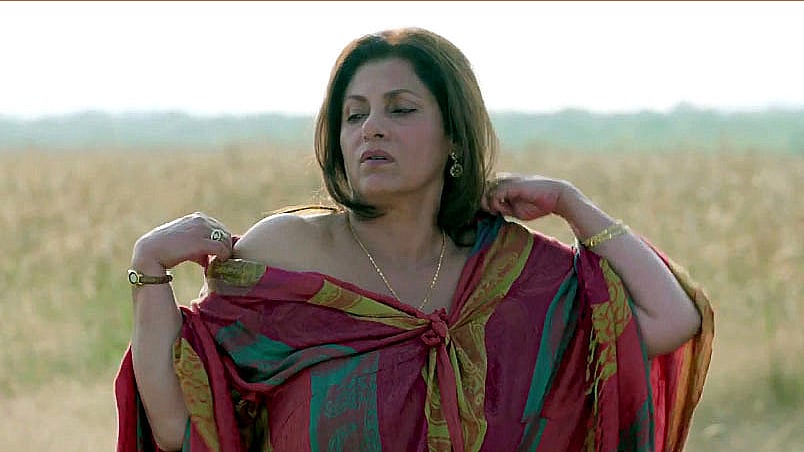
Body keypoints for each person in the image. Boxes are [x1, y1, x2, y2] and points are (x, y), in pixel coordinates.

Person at [116, 28, 713, 452]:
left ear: (454, 135)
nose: (372, 128)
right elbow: (176, 424)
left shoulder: (511, 272)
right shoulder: (286, 256)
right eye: (354, 115)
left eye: (400, 109)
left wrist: (569, 204)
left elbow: (671, 318)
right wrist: (149, 269)